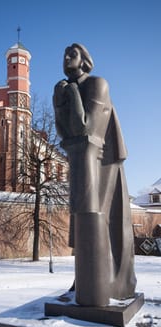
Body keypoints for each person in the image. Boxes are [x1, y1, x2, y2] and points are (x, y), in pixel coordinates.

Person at [53, 43, 136, 306]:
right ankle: (86, 281)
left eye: (72, 54)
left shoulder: (98, 84)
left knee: (99, 216)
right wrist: (58, 103)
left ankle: (108, 283)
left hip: (103, 161)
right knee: (82, 218)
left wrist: (71, 95)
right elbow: (65, 133)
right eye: (64, 54)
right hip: (80, 157)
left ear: (85, 61)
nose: (66, 58)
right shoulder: (66, 88)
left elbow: (85, 128)